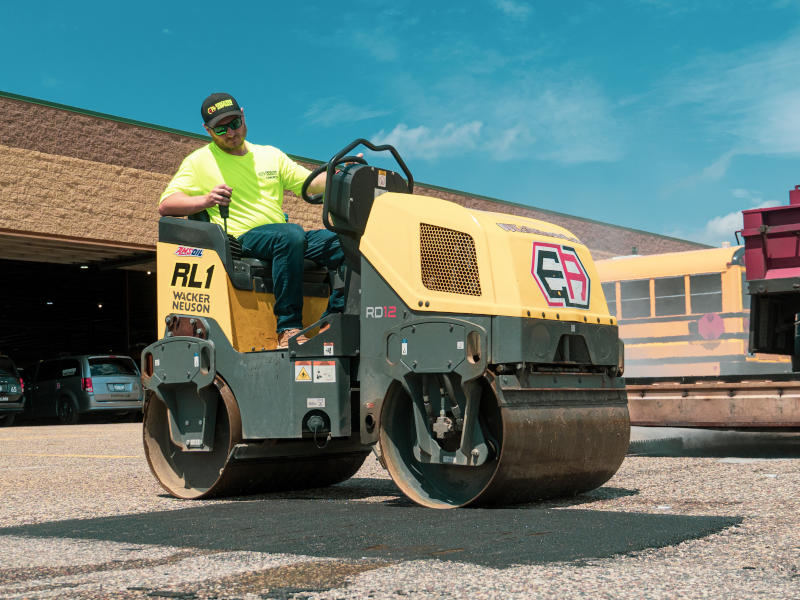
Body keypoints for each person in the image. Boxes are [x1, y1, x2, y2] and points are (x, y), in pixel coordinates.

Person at [159, 92, 343, 349]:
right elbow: (166, 204)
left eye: (234, 123)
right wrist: (206, 199)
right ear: (207, 130)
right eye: (221, 129)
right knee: (290, 235)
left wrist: (341, 175)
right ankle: (288, 328)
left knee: (344, 242)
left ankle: (332, 320)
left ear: (243, 115)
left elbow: (310, 184)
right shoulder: (199, 161)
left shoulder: (270, 155)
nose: (231, 132)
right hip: (245, 238)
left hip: (283, 235)